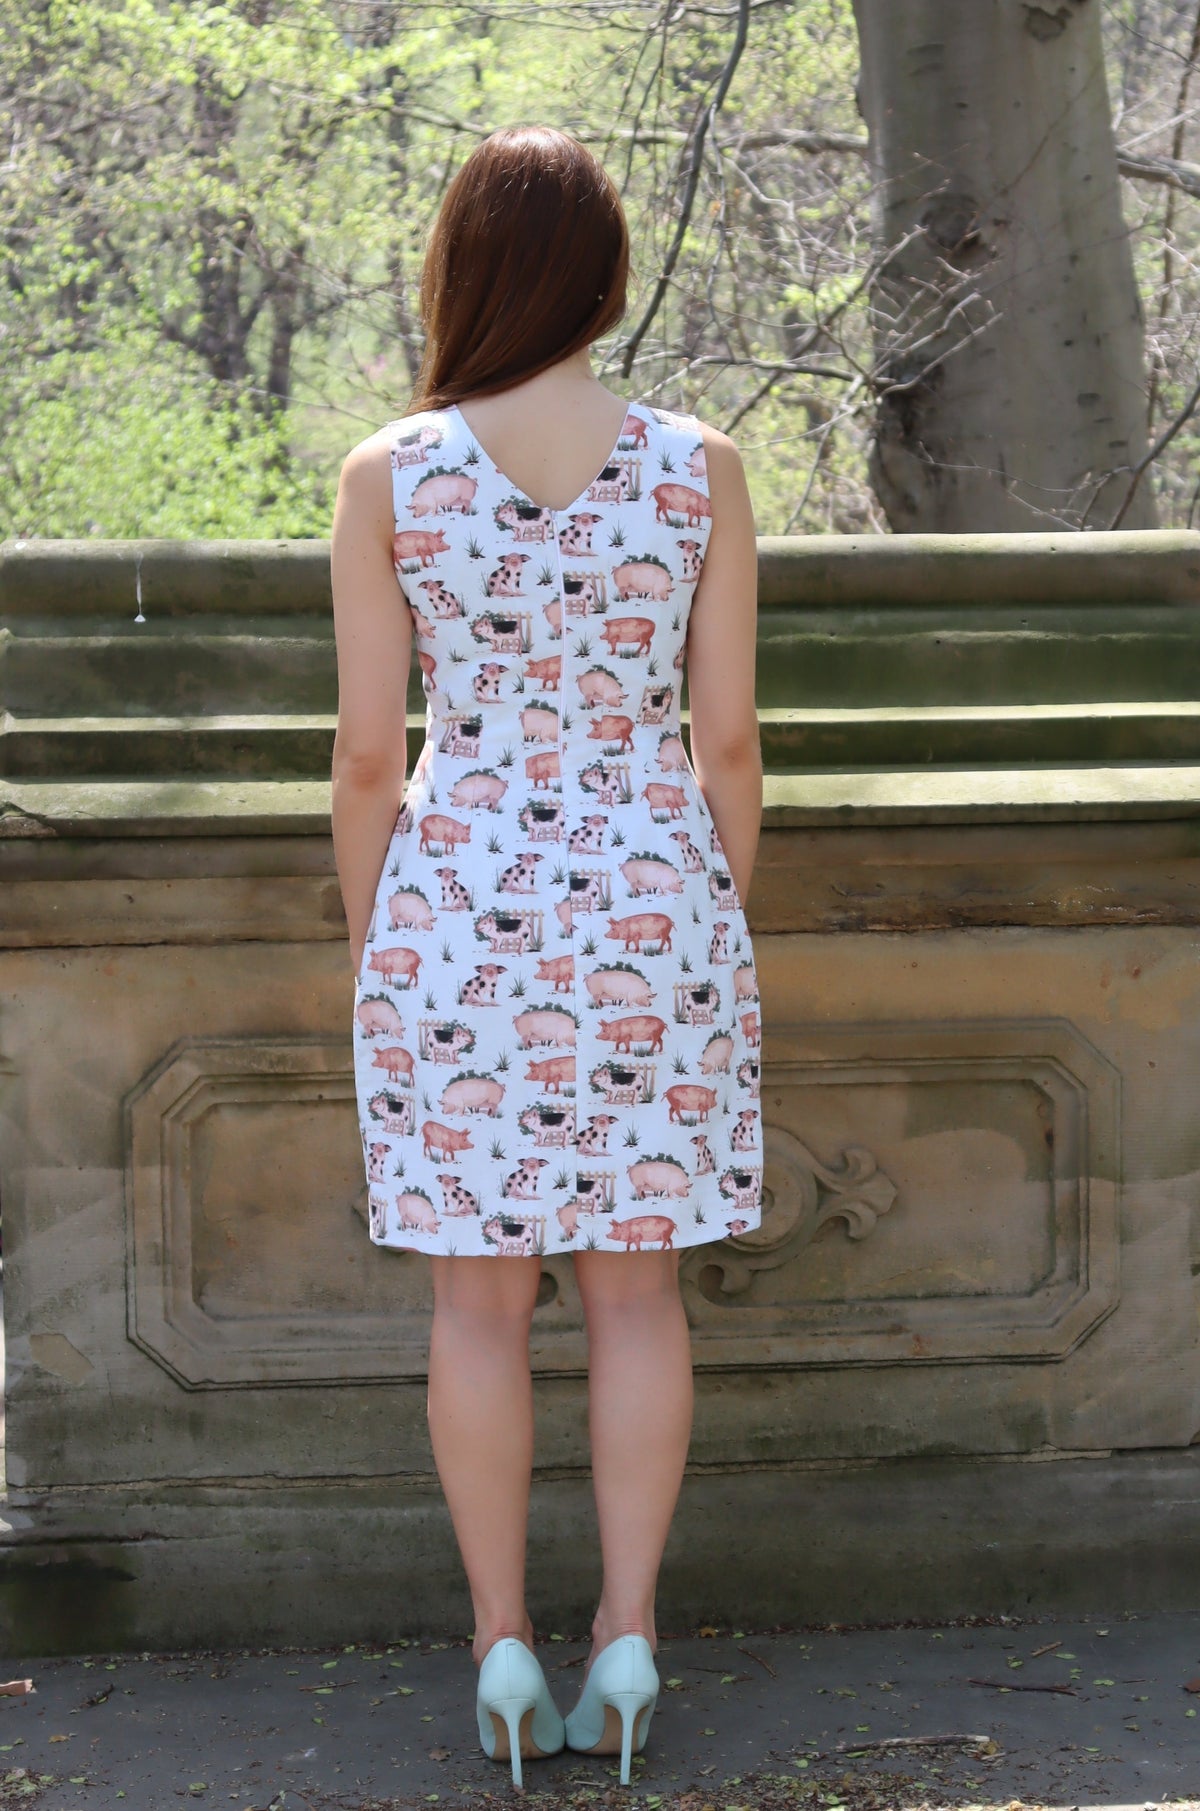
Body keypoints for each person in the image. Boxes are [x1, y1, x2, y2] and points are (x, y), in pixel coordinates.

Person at [329, 124, 762, 1789]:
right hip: (659, 906)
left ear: (460, 268)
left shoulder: (396, 474)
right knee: (641, 1291)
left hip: (457, 916)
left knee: (477, 1306)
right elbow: (726, 740)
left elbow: (371, 757)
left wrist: (390, 948)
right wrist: (705, 913)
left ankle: (503, 1637)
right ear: (604, 275)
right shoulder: (695, 465)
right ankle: (628, 1635)